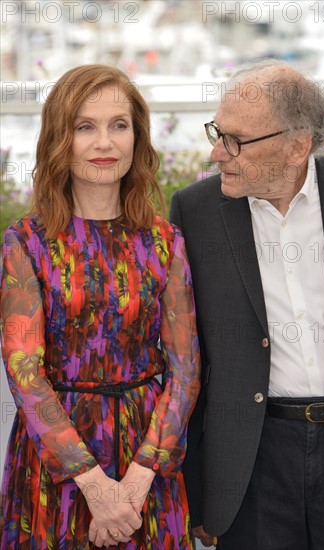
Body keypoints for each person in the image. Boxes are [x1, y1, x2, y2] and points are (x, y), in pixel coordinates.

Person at [0, 64, 201, 549]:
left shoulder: (165, 239)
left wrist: (135, 484)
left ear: (138, 137)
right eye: (84, 127)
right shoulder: (26, 242)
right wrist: (94, 486)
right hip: (58, 462)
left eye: (119, 125)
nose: (104, 143)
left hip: (147, 462)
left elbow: (186, 370)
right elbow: (24, 371)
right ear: (58, 140)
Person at [170, 59, 324, 550]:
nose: (217, 153)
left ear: (297, 145)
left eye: (236, 139)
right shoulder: (194, 212)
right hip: (252, 459)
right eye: (217, 132)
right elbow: (188, 365)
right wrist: (198, 491)